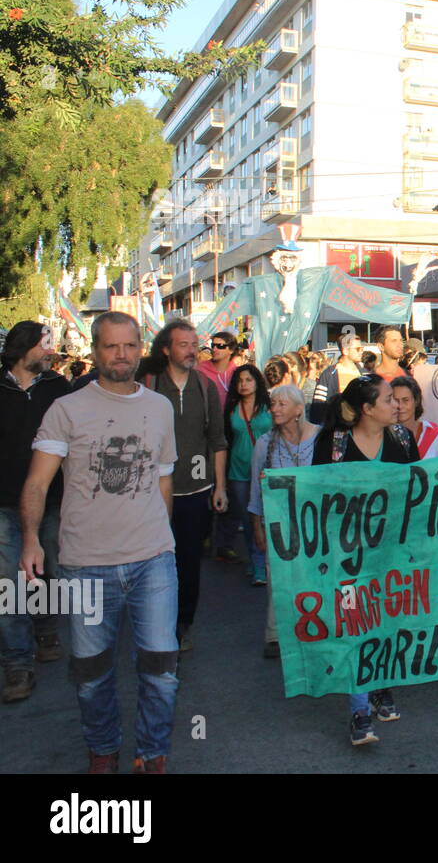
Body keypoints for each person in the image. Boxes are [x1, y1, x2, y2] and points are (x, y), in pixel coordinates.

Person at [20, 312, 179, 773]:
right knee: (90, 675)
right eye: (111, 347)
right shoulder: (67, 410)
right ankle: (103, 749)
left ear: (139, 347)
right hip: (86, 564)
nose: (122, 355)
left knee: (162, 670)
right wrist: (31, 538)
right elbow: (36, 483)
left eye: (129, 346)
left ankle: (152, 752)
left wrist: (164, 539)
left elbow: (163, 479)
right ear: (95, 350)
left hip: (153, 561)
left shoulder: (160, 407)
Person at [314, 375, 418, 745]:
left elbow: (416, 491)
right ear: (367, 409)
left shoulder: (403, 439)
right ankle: (359, 710)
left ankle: (380, 685)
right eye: (390, 400)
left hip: (391, 549)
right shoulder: (335, 443)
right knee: (355, 622)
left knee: (387, 619)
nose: (398, 405)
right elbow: (316, 494)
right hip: (347, 553)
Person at [140, 320, 227, 653]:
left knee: (189, 563)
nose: (193, 350)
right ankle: (155, 623)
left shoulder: (205, 389)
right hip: (149, 493)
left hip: (195, 492)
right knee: (153, 561)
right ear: (166, 349)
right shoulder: (146, 385)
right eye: (184, 344)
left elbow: (217, 441)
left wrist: (219, 487)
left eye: (195, 344)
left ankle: (182, 624)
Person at [1, 321, 70, 703]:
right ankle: (16, 664)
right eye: (45, 344)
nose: (51, 351)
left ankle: (45, 629)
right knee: (7, 583)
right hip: (4, 505)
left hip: (53, 502)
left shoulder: (58, 388)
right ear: (24, 348)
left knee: (48, 572)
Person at [247, 383, 319, 660]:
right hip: (279, 522)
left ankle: (312, 628)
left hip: (313, 523)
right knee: (278, 579)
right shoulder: (265, 443)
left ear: (299, 409)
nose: (274, 409)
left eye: (281, 404)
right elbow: (256, 489)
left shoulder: (320, 438)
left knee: (312, 576)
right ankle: (275, 635)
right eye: (272, 404)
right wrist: (257, 526)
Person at [220, 364, 272, 582]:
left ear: (257, 382)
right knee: (248, 517)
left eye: (248, 380)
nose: (243, 384)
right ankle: (255, 559)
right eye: (240, 380)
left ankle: (260, 563)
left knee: (263, 517)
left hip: (265, 469)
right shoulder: (232, 407)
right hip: (238, 470)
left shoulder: (269, 405)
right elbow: (225, 440)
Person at [309, 332, 365, 424]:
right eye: (358, 349)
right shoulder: (329, 374)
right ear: (345, 351)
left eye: (362, 348)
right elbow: (318, 407)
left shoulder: (362, 374)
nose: (361, 351)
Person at [390, 375, 438, 459]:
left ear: (416, 401)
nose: (400, 406)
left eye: (405, 400)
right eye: (395, 400)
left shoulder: (433, 433)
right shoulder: (383, 434)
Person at [197, 331, 238, 403]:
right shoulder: (200, 370)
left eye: (220, 346)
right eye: (213, 345)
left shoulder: (237, 372)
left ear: (231, 350)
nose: (214, 349)